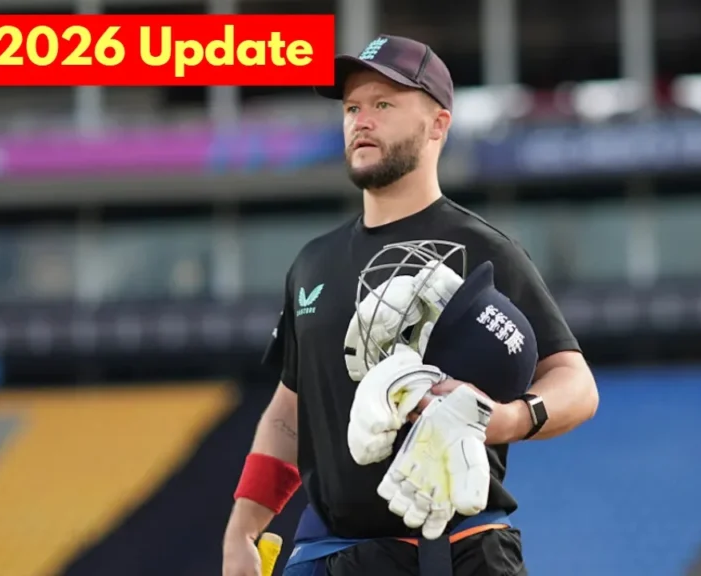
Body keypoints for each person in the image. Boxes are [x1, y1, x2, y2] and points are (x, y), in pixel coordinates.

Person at [222, 34, 600, 576]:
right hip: (329, 555)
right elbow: (291, 410)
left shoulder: (485, 251)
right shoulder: (312, 263)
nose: (361, 121)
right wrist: (243, 527)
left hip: (456, 551)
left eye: (383, 104)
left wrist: (510, 418)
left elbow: (576, 383)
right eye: (352, 108)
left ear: (438, 125)